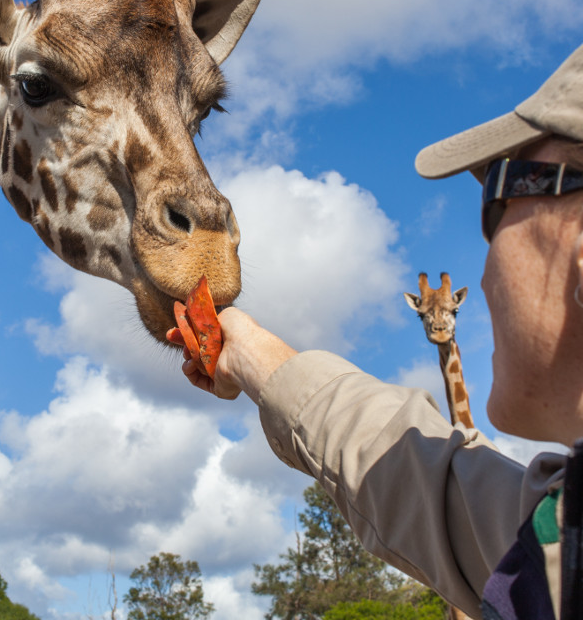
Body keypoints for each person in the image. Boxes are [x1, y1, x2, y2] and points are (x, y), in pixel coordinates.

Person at [176, 42, 583, 619]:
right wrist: (257, 356)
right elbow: (436, 488)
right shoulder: (558, 540)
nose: (486, 270)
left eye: (498, 199)